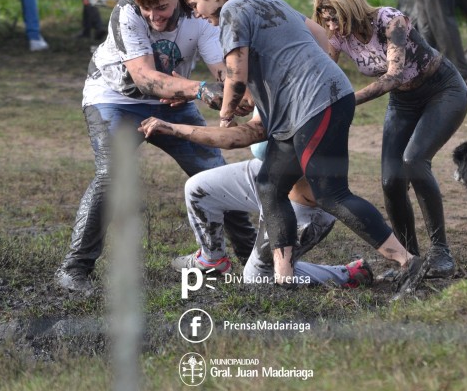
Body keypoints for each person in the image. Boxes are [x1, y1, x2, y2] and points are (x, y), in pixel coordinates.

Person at [177, 0, 425, 292]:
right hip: (304, 107)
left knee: (331, 193)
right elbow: (321, 38)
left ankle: (408, 262)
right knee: (269, 184)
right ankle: (284, 276)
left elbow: (235, 74)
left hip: (315, 104)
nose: (198, 15)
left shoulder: (233, 11)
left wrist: (225, 117)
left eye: (195, 6)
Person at [54, 0, 255, 293]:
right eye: (147, 9)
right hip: (114, 100)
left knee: (216, 176)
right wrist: (198, 89)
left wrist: (236, 93)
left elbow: (223, 70)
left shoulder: (199, 15)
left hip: (172, 104)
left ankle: (253, 262)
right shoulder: (126, 11)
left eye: (162, 7)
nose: (154, 17)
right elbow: (145, 79)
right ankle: (73, 270)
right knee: (112, 175)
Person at [313, 0, 467, 278]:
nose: (331, 27)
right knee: (390, 180)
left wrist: (346, 101)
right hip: (404, 102)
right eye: (326, 20)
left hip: (443, 91)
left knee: (414, 160)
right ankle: (410, 258)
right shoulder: (337, 36)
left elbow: (395, 75)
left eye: (336, 19)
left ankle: (441, 252)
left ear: (353, 9)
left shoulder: (391, 21)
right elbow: (322, 73)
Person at [139, 114, 374, 288]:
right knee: (198, 189)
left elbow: (235, 138)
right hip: (267, 176)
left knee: (256, 279)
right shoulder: (262, 77)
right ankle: (212, 259)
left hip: (302, 205)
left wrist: (173, 126)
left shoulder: (295, 91)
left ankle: (346, 274)